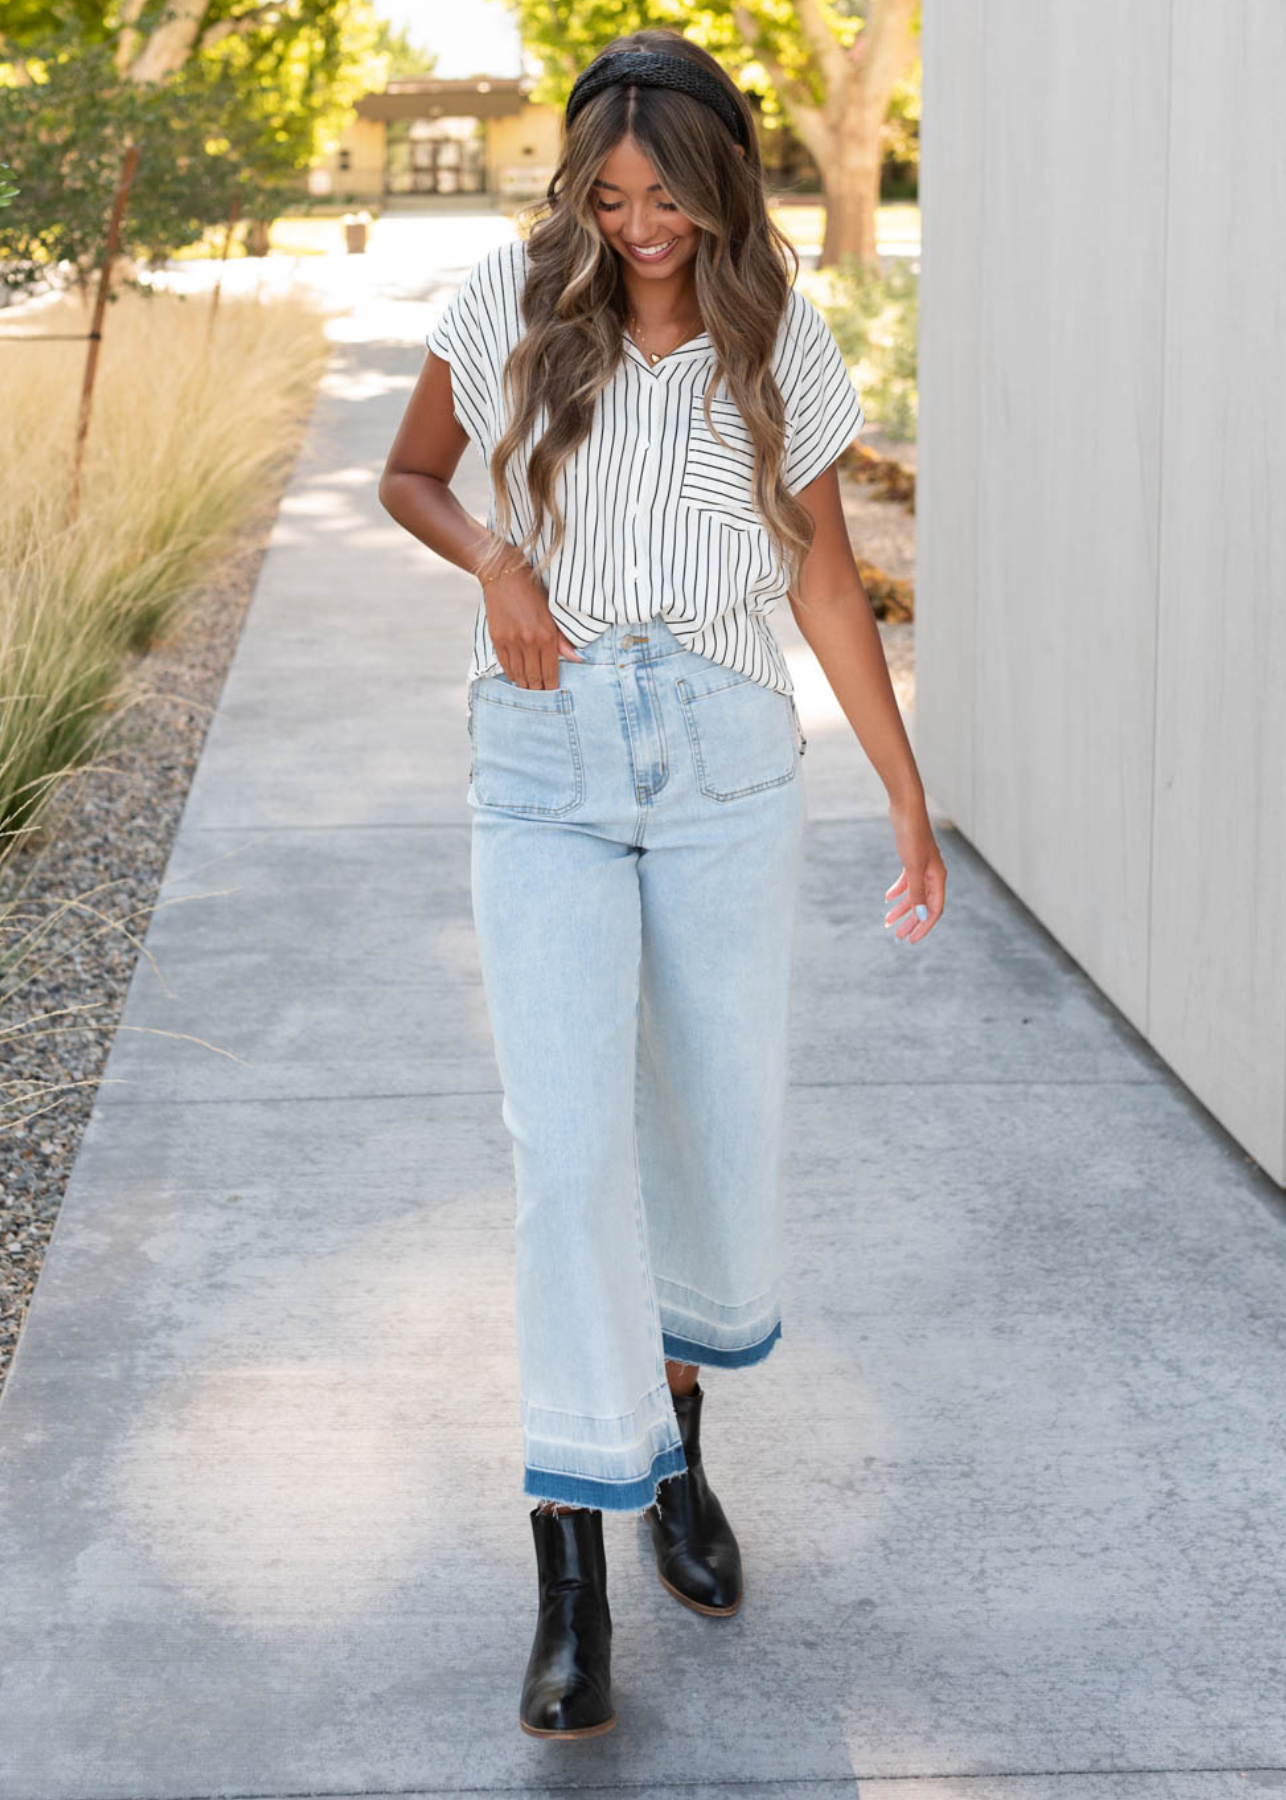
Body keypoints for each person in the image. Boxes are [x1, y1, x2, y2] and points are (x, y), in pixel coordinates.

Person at [379, 28, 947, 1742]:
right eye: (608, 195)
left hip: (721, 762)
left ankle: (674, 1461)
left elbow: (828, 585)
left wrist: (909, 804)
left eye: (664, 198)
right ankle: (570, 1559)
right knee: (565, 1154)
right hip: (544, 757)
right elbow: (406, 475)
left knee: (704, 1126)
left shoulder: (781, 331)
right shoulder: (510, 295)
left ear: (718, 185)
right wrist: (493, 558)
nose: (635, 226)